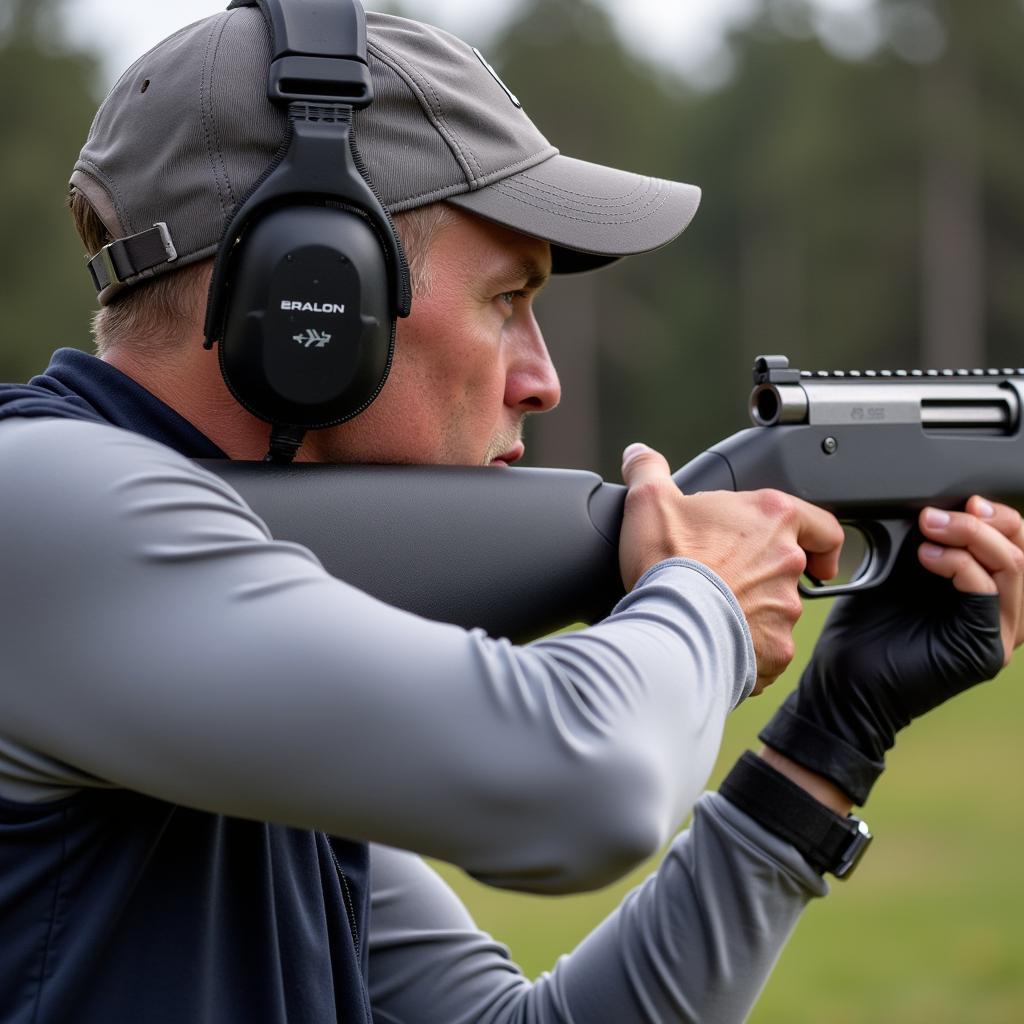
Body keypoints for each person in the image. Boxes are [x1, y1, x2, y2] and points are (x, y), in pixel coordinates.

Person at [1, 4, 1021, 1023]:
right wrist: (701, 594)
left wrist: (833, 736)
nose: (543, 380)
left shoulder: (231, 636)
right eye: (506, 300)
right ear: (317, 304)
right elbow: (588, 791)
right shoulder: (35, 509)